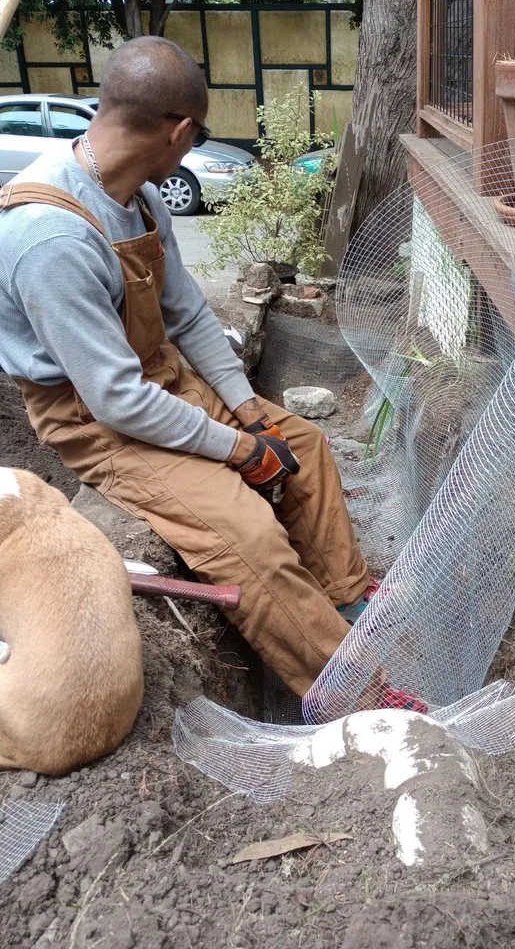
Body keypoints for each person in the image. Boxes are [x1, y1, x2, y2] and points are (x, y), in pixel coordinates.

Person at [0, 36, 426, 713]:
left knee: (305, 446)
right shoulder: (52, 238)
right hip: (99, 423)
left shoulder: (140, 198)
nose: (190, 149)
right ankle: (353, 695)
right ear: (179, 131)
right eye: (196, 137)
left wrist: (249, 412)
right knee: (246, 537)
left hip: (161, 383)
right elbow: (115, 400)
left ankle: (345, 603)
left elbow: (190, 316)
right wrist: (239, 450)